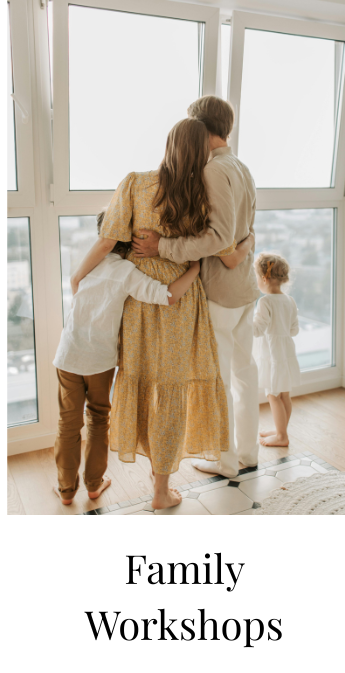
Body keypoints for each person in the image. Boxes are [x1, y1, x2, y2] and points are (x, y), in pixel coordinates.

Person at [80, 118, 251, 509]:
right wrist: (242, 243)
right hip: (181, 298)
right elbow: (220, 245)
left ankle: (148, 481)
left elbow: (108, 238)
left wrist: (78, 276)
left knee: (141, 381)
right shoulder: (201, 193)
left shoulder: (135, 183)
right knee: (172, 390)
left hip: (140, 299)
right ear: (202, 151)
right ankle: (161, 491)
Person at [132, 96, 259, 479]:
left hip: (221, 293)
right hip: (244, 288)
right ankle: (247, 454)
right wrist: (243, 248)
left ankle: (225, 461)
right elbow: (244, 229)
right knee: (244, 373)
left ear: (203, 129)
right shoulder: (241, 166)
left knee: (218, 380)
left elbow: (216, 237)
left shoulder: (214, 171)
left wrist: (162, 246)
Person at [52, 213, 203, 505]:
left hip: (68, 353)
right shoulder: (126, 272)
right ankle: (94, 485)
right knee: (97, 419)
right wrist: (194, 270)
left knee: (67, 424)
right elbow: (168, 296)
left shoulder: (87, 264)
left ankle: (66, 491)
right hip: (99, 360)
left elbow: (75, 290)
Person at [252, 252, 300, 448]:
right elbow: (294, 330)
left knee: (272, 395)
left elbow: (257, 330)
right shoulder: (289, 300)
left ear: (264, 278)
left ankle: (281, 437)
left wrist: (245, 318)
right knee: (284, 395)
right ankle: (282, 430)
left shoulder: (265, 302)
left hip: (272, 355)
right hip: (286, 353)